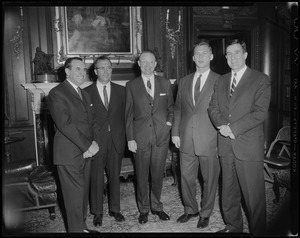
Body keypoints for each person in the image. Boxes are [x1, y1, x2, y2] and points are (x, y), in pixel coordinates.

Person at [208, 39, 271, 235]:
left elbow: (260, 112)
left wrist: (232, 128)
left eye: (236, 53)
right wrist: (222, 126)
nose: (232, 57)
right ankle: (233, 227)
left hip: (248, 146)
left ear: (245, 55)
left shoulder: (260, 79)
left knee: (254, 197)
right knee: (228, 193)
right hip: (226, 145)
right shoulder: (221, 80)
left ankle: (258, 231)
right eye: (228, 54)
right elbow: (213, 108)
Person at [47, 57, 100, 233]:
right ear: (67, 72)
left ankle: (81, 227)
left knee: (82, 194)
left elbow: (89, 123)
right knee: (73, 197)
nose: (82, 73)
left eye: (84, 70)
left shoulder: (84, 94)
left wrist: (90, 145)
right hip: (68, 154)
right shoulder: (57, 93)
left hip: (84, 152)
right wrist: (86, 146)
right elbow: (65, 125)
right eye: (77, 69)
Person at [172, 40, 220, 229]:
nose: (200, 57)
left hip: (210, 139)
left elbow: (223, 111)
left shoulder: (220, 80)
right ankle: (190, 209)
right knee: (185, 176)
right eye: (197, 54)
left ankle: (205, 213)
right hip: (185, 138)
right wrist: (175, 133)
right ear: (193, 58)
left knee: (209, 179)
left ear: (211, 56)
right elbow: (178, 109)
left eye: (204, 53)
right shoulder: (183, 81)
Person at [125, 50, 174, 224]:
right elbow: (128, 115)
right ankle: (144, 209)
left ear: (155, 65)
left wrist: (168, 125)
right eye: (143, 62)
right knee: (141, 175)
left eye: (150, 62)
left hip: (161, 138)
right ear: (139, 64)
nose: (147, 65)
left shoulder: (165, 83)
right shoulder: (131, 85)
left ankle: (157, 207)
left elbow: (171, 109)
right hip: (140, 139)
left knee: (157, 175)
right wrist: (130, 138)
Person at [84, 56, 126, 227]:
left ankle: (115, 209)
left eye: (109, 67)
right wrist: (88, 144)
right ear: (95, 72)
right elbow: (85, 121)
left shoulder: (121, 91)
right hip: (96, 143)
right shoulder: (86, 93)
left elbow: (127, 117)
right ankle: (97, 212)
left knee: (115, 176)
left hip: (116, 140)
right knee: (96, 178)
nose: (106, 71)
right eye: (102, 68)